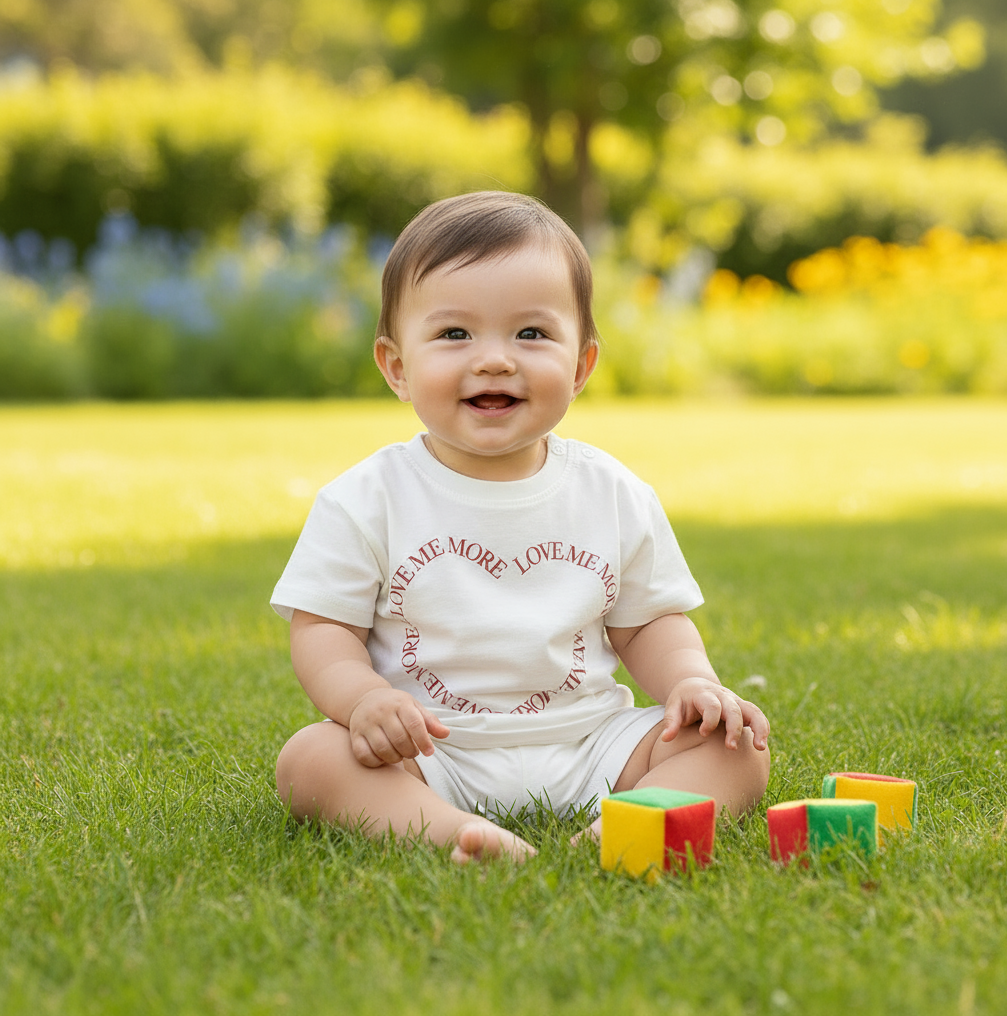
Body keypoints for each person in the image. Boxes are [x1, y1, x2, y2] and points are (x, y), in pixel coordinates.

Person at [272, 191, 770, 863]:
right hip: (429, 751)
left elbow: (649, 621)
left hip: (593, 742)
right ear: (396, 366)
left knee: (733, 747)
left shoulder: (612, 492)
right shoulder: (367, 498)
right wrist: (363, 702)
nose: (495, 359)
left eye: (531, 334)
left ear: (581, 364)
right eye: (455, 335)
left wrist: (692, 683)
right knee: (312, 759)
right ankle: (457, 834)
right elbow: (323, 627)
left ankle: (625, 828)